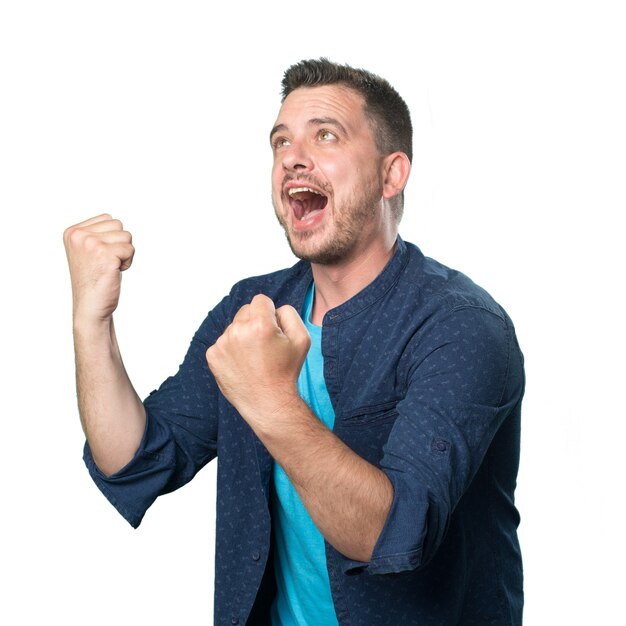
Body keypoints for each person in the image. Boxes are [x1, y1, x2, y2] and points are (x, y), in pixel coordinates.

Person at [63, 58, 525, 625]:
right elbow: (135, 460)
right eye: (280, 140)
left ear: (391, 174)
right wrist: (92, 322)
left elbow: (395, 534)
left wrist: (268, 399)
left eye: (325, 135)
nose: (291, 156)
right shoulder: (251, 310)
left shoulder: (461, 327)